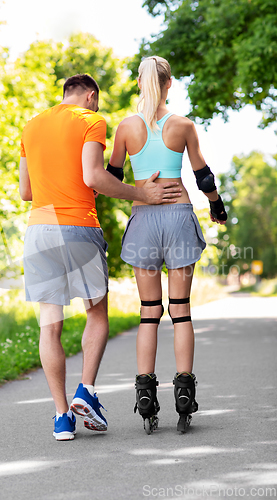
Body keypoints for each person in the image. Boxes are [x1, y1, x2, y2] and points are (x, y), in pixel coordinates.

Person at [19, 73, 182, 440]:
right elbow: (94, 177)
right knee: (96, 313)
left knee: (50, 324)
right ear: (90, 96)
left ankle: (62, 417)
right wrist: (142, 194)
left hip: (39, 232)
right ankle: (86, 391)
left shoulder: (31, 126)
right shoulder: (91, 120)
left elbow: (25, 191)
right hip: (78, 227)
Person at [109, 56, 227, 434]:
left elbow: (110, 179)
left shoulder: (126, 127)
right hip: (177, 218)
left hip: (143, 221)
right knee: (181, 310)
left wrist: (139, 191)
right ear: (169, 84)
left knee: (148, 311)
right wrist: (217, 207)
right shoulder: (183, 126)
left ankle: (145, 391)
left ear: (140, 83)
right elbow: (203, 175)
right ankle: (183, 391)